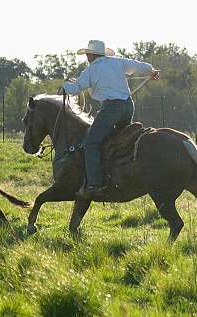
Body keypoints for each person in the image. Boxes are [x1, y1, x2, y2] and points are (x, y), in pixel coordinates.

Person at [63, 40, 159, 199]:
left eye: (87, 54)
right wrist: (152, 70)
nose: (87, 56)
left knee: (91, 143)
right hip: (128, 107)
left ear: (91, 55)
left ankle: (94, 184)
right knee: (120, 140)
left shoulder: (90, 71)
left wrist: (64, 85)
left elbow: (74, 89)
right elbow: (139, 66)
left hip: (111, 110)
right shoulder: (117, 62)